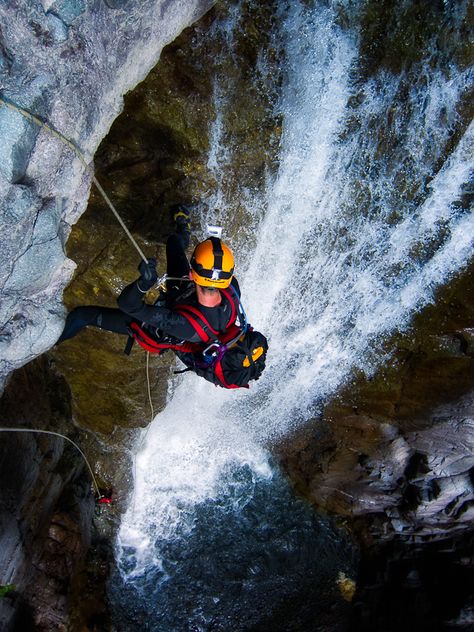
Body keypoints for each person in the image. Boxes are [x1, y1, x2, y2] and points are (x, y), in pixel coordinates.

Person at [58, 206, 267, 388]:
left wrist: (143, 285)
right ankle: (181, 225)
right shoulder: (232, 289)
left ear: (192, 274)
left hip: (168, 326)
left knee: (83, 315)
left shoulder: (182, 326)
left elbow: (128, 306)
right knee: (174, 242)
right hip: (183, 294)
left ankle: (52, 342)